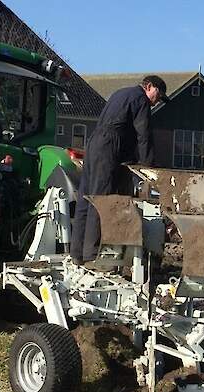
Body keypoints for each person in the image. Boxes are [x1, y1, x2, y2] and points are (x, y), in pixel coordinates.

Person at [70, 75, 168, 265]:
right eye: (158, 95)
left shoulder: (121, 93)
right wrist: (148, 166)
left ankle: (77, 252)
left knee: (85, 197)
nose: (157, 101)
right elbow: (143, 134)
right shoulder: (141, 99)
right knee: (101, 201)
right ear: (149, 86)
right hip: (109, 147)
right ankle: (91, 255)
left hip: (94, 144)